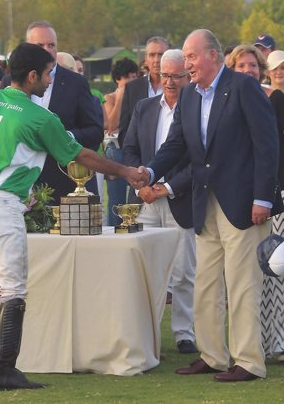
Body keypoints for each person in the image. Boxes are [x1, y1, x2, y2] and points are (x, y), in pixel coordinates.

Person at [0, 42, 146, 391]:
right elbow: (83, 155)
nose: (51, 79)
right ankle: (4, 369)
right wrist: (126, 171)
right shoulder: (40, 117)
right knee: (14, 288)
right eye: (49, 72)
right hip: (2, 203)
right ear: (32, 75)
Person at [144, 29, 278, 382]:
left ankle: (249, 361)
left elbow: (267, 146)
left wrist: (262, 197)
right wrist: (150, 171)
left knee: (242, 283)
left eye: (191, 56)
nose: (185, 63)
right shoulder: (189, 96)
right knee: (205, 283)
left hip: (244, 204)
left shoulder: (243, 87)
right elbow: (177, 146)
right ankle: (213, 355)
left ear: (214, 56)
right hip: (204, 204)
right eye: (185, 57)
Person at [226, 44, 284, 363]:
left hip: (283, 192)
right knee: (253, 271)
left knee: (283, 266)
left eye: (253, 65)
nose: (248, 70)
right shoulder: (225, 104)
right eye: (241, 66)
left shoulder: (276, 99)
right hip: (242, 195)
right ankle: (258, 341)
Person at [122, 49, 197, 355]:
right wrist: (141, 184)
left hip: (181, 198)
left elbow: (197, 160)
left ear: (187, 77)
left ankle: (184, 333)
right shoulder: (144, 107)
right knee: (147, 270)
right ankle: (147, 332)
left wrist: (165, 187)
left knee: (184, 272)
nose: (170, 81)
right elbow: (129, 150)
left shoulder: (196, 108)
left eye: (177, 75)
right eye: (165, 75)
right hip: (146, 201)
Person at [2, 21, 103, 204]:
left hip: (66, 184)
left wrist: (63, 137)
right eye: (40, 46)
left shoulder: (76, 82)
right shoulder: (10, 81)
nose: (47, 50)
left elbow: (95, 132)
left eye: (51, 45)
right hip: (20, 185)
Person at [104, 58, 140, 225]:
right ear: (118, 79)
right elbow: (111, 124)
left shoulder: (138, 98)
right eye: (127, 77)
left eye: (134, 76)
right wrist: (120, 97)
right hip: (115, 150)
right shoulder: (110, 98)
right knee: (116, 200)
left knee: (134, 197)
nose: (132, 81)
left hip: (133, 149)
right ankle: (113, 228)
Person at [118, 37, 170, 147]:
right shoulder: (132, 89)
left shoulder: (180, 87)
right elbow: (124, 132)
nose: (156, 60)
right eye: (152, 55)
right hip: (139, 160)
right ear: (146, 59)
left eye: (161, 54)